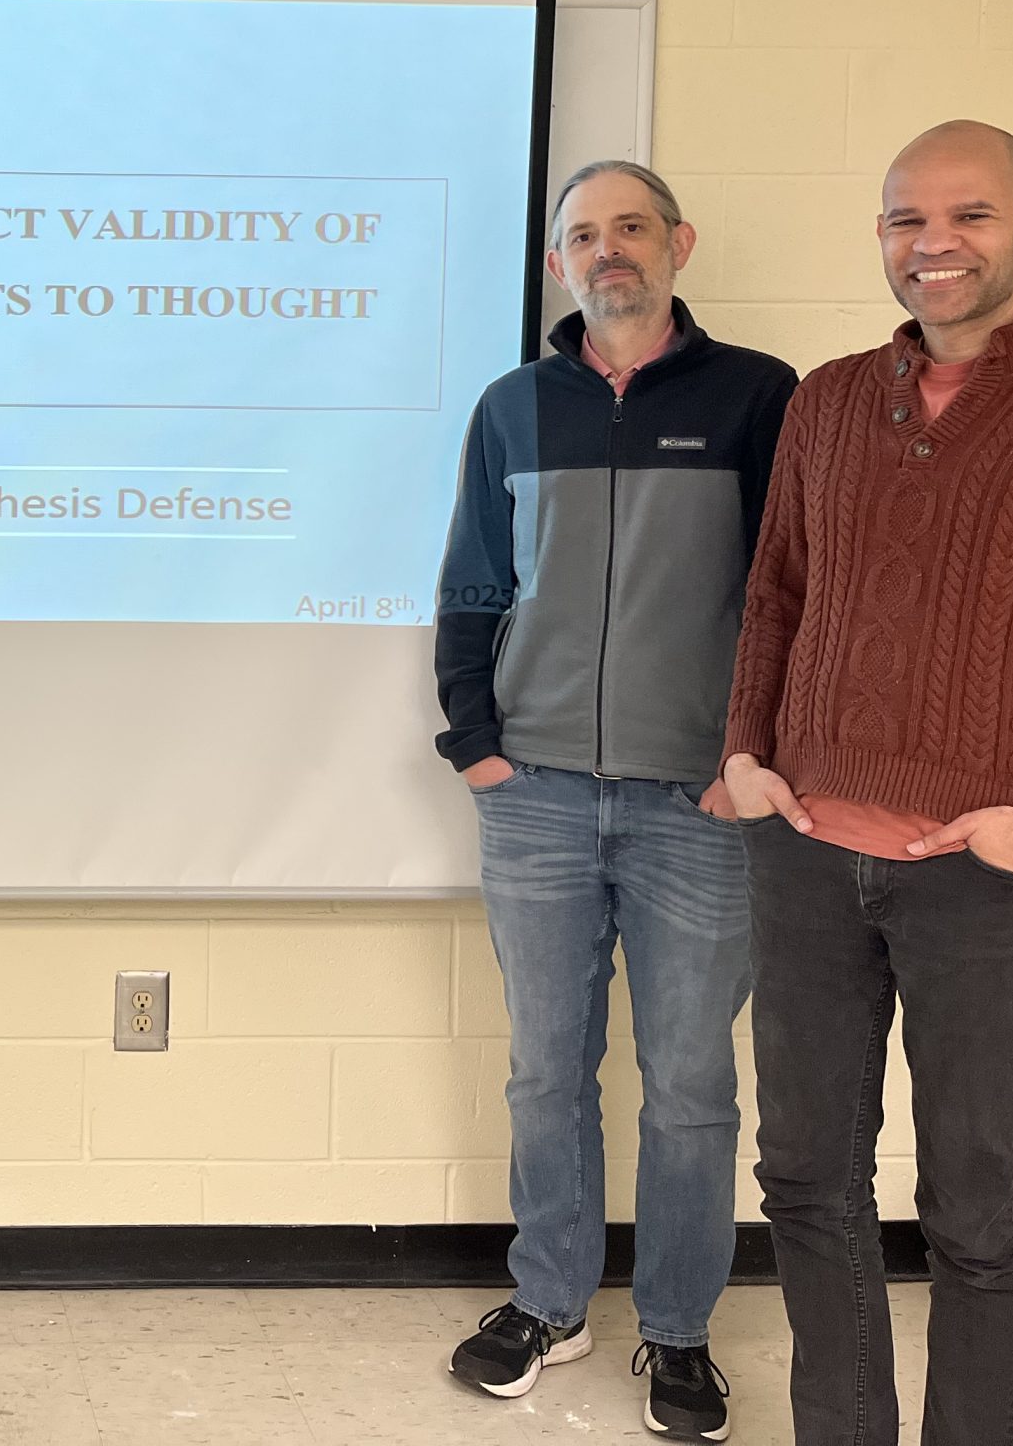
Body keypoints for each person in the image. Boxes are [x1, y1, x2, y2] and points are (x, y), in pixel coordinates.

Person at [718, 121, 1013, 1446]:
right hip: (804, 865)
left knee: (974, 1207)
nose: (933, 244)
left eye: (968, 216)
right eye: (906, 220)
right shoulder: (829, 398)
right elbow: (779, 594)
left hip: (992, 883)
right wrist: (746, 749)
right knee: (805, 1179)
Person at [434, 160, 796, 1440]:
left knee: (692, 1081)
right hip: (530, 794)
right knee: (547, 1071)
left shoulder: (760, 397)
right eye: (582, 234)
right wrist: (475, 741)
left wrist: (746, 756)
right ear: (556, 266)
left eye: (630, 227)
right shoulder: (512, 406)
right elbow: (474, 581)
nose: (608, 251)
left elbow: (789, 597)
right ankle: (550, 1300)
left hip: (696, 805)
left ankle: (680, 1331)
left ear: (678, 244)